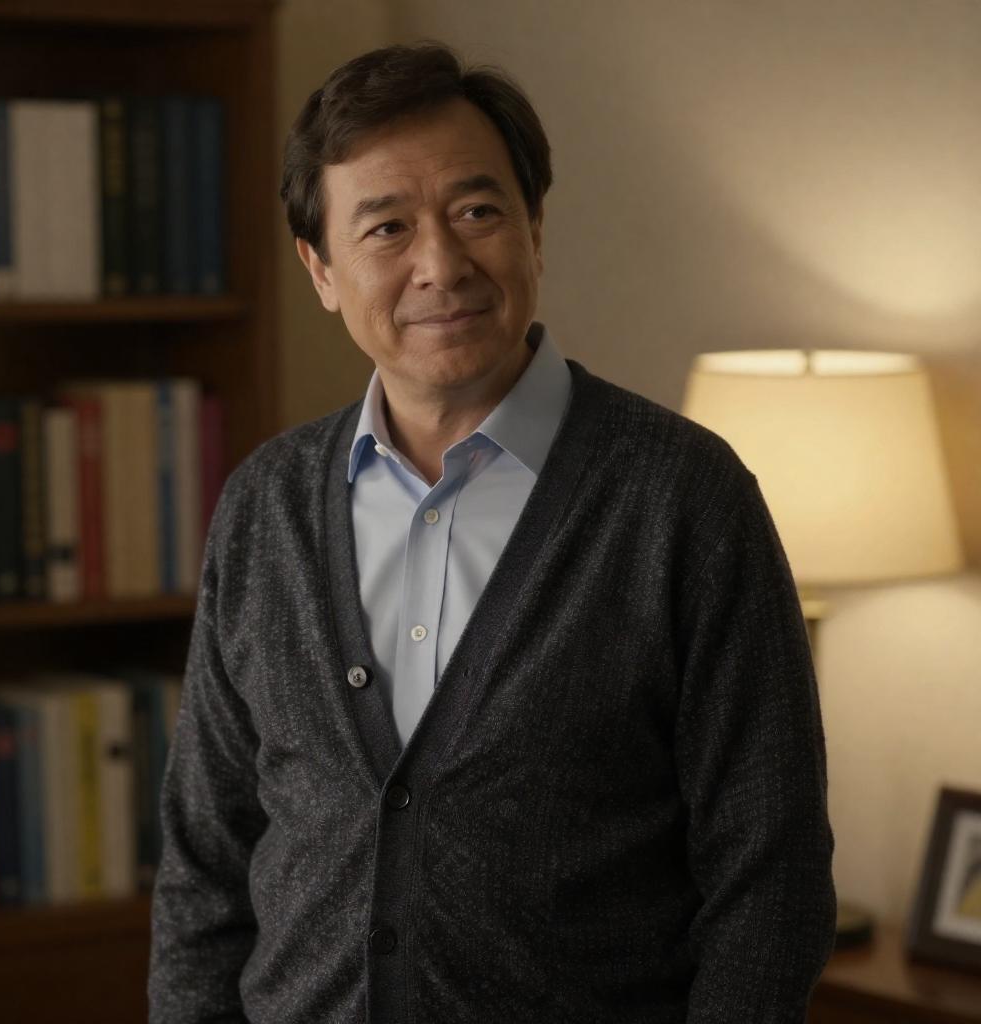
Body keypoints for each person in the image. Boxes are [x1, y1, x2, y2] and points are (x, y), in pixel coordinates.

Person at [149, 41, 837, 1024]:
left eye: (477, 212)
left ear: (534, 230)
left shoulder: (682, 497)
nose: (441, 265)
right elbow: (205, 865)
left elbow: (770, 875)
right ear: (321, 270)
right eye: (387, 227)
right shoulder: (265, 505)